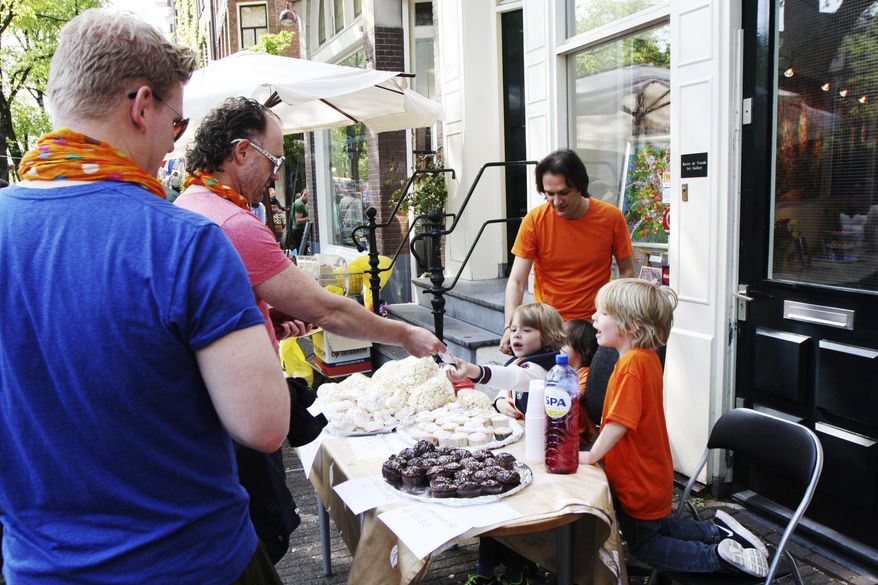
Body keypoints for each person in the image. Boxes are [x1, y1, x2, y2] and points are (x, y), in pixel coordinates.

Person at [0, 10, 290, 585]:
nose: (171, 145)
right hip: (192, 563)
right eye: (176, 124)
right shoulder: (186, 242)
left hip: (41, 568)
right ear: (141, 105)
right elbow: (263, 425)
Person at [176, 97, 447, 561]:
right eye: (274, 158)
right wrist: (404, 335)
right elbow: (329, 311)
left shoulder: (189, 204)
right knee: (265, 534)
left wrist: (264, 316)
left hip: (203, 409)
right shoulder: (236, 224)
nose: (277, 173)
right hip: (236, 418)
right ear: (242, 152)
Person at [580, 279, 770, 578]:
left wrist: (590, 457)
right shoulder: (646, 358)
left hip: (636, 479)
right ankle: (717, 531)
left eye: (603, 313)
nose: (594, 318)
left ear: (632, 325)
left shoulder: (631, 366)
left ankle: (717, 557)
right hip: (651, 473)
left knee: (646, 545)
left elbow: (618, 424)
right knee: (661, 527)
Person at [446, 302, 564, 585]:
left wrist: (473, 370)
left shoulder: (546, 366)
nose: (516, 336)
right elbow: (504, 389)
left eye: (526, 329)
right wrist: (501, 402)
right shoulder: (522, 360)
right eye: (513, 329)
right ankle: (487, 567)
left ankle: (513, 571)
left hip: (542, 453)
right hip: (521, 445)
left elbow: (513, 378)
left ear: (547, 336)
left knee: (508, 508)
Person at [561, 319, 599, 446]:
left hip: (579, 437)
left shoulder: (586, 374)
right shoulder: (560, 371)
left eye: (564, 343)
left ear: (583, 349)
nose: (559, 347)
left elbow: (576, 397)